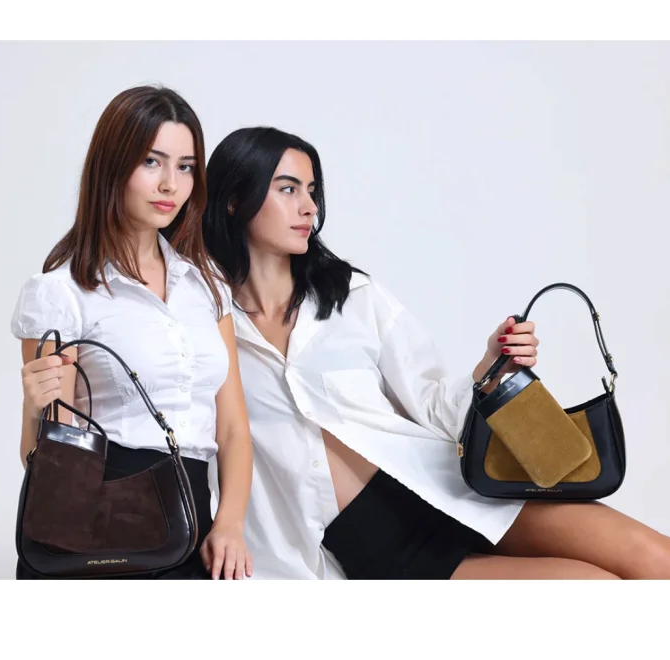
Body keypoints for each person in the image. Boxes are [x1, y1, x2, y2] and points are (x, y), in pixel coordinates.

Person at [202, 125, 670, 580]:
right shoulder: (205, 327)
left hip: (448, 482)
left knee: (654, 559)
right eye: (288, 189)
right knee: (596, 589)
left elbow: (430, 404)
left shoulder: (352, 296)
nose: (308, 206)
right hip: (383, 542)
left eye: (311, 190)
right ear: (234, 199)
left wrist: (492, 365)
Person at [12, 86, 253, 580]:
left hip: (194, 525)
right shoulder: (62, 292)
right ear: (112, 166)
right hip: (101, 523)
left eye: (186, 167)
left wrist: (229, 523)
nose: (170, 184)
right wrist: (34, 408)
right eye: (151, 161)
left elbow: (231, 426)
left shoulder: (206, 285)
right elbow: (48, 456)